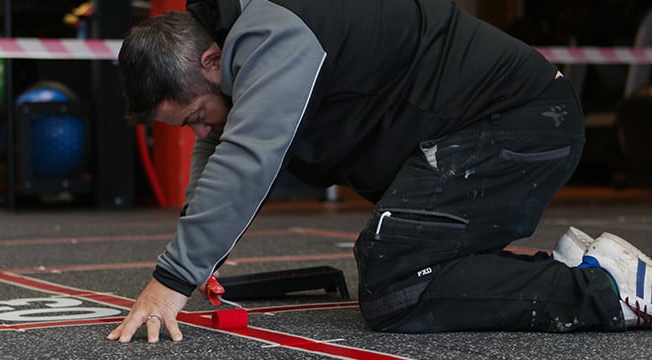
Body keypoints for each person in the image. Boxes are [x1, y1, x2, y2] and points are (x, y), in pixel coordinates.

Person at [107, 0, 652, 343]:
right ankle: (573, 266)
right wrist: (200, 254)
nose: (201, 132)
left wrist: (171, 282)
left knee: (396, 284)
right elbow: (222, 150)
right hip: (488, 126)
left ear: (209, 61)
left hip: (523, 122)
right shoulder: (237, 41)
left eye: (195, 116)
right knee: (399, 266)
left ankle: (606, 288)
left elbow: (248, 158)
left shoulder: (273, 35)